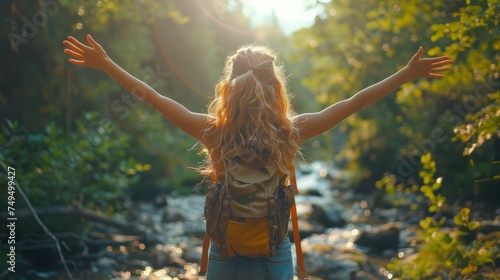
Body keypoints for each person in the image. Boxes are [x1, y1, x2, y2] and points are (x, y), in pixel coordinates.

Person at [63, 34, 453, 279]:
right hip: (273, 254)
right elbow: (354, 102)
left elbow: (153, 98)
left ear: (229, 87)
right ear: (275, 86)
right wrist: (405, 74)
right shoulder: (291, 133)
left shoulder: (214, 134)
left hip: (225, 254)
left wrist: (106, 64)